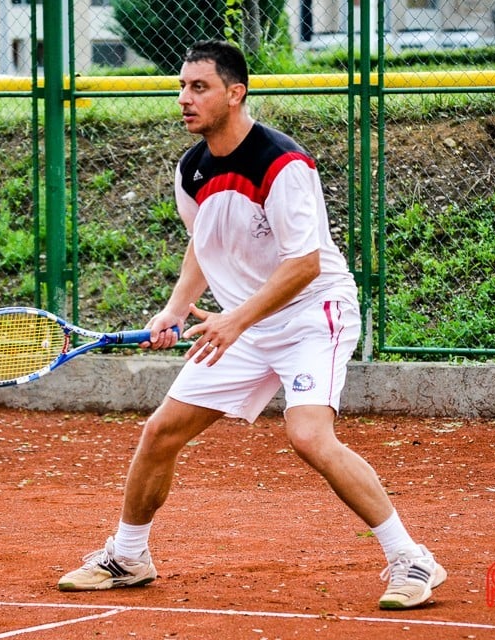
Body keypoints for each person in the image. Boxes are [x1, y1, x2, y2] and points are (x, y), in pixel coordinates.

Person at [57, 39, 445, 610]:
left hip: (313, 314)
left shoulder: (281, 164)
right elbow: (203, 242)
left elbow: (305, 263)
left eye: (199, 88)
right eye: (181, 87)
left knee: (309, 435)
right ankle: (128, 556)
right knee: (161, 432)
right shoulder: (191, 170)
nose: (184, 99)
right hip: (241, 324)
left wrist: (235, 320)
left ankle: (412, 559)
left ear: (235, 94)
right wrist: (174, 306)